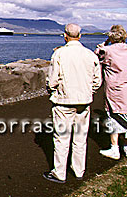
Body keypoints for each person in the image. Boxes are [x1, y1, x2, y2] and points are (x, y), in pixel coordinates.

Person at [43, 23, 102, 184]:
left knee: (61, 138)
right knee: (80, 137)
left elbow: (52, 80)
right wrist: (89, 91)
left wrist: (53, 91)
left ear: (65, 36)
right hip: (84, 101)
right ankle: (79, 170)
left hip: (64, 101)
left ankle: (59, 173)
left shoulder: (59, 54)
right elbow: (97, 81)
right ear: (80, 36)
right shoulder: (90, 55)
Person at [95, 25, 127, 160]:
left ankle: (114, 148)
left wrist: (104, 43)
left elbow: (96, 56)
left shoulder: (107, 50)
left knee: (113, 117)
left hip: (115, 89)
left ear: (111, 36)